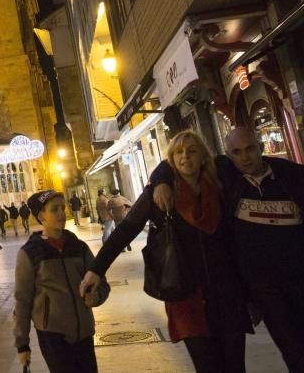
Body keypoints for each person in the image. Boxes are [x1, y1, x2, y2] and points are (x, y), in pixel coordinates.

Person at [151, 126, 304, 373]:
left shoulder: (295, 176)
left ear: (260, 146)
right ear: (228, 156)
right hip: (265, 288)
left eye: (250, 149)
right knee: (296, 354)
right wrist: (160, 180)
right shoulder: (229, 179)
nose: (245, 157)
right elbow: (178, 160)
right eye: (237, 152)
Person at [81, 131, 251, 373]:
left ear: (202, 156)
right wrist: (96, 270)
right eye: (178, 152)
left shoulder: (220, 183)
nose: (185, 157)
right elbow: (126, 230)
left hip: (226, 294)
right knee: (207, 366)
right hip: (186, 295)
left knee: (235, 366)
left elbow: (247, 164)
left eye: (192, 151)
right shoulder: (160, 196)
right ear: (171, 159)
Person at [14, 190, 109, 373]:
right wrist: (22, 344)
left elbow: (102, 282)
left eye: (62, 208)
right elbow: (22, 301)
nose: (61, 213)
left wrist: (96, 297)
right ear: (41, 215)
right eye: (54, 209)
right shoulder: (30, 253)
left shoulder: (79, 248)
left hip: (83, 332)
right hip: (53, 335)